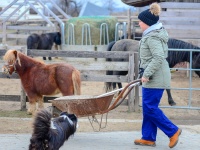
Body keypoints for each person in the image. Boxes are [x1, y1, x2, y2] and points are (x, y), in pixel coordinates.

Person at [134, 2, 182, 148]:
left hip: (155, 77)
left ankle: (173, 131)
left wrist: (146, 73)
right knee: (148, 107)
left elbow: (158, 57)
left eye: (140, 21)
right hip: (153, 76)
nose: (139, 23)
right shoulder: (152, 34)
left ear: (147, 23)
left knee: (150, 107)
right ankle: (148, 137)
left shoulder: (153, 37)